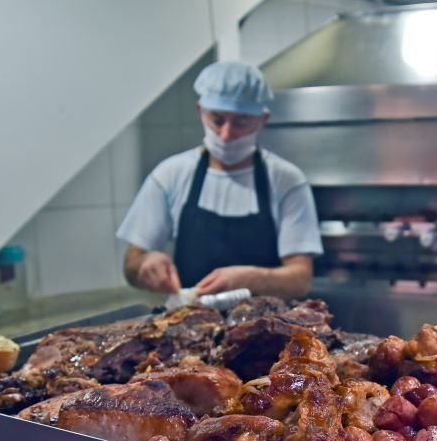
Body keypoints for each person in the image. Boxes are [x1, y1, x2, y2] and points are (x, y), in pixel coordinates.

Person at [116, 61, 323, 300]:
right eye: (217, 119)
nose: (226, 134)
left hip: (268, 322)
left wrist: (252, 279)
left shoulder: (286, 180)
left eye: (241, 122)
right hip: (189, 319)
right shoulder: (170, 174)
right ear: (200, 111)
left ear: (262, 120)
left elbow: (300, 281)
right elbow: (131, 264)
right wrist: (146, 263)